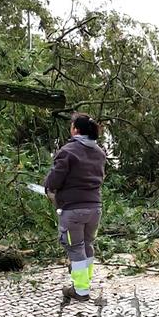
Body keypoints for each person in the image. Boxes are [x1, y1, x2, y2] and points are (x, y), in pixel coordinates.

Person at [44, 113, 106, 302]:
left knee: (75, 248)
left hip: (73, 210)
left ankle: (80, 290)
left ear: (76, 130)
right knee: (87, 245)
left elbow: (54, 180)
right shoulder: (100, 152)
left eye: (71, 126)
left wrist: (49, 188)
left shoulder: (68, 151)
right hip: (95, 208)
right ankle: (84, 281)